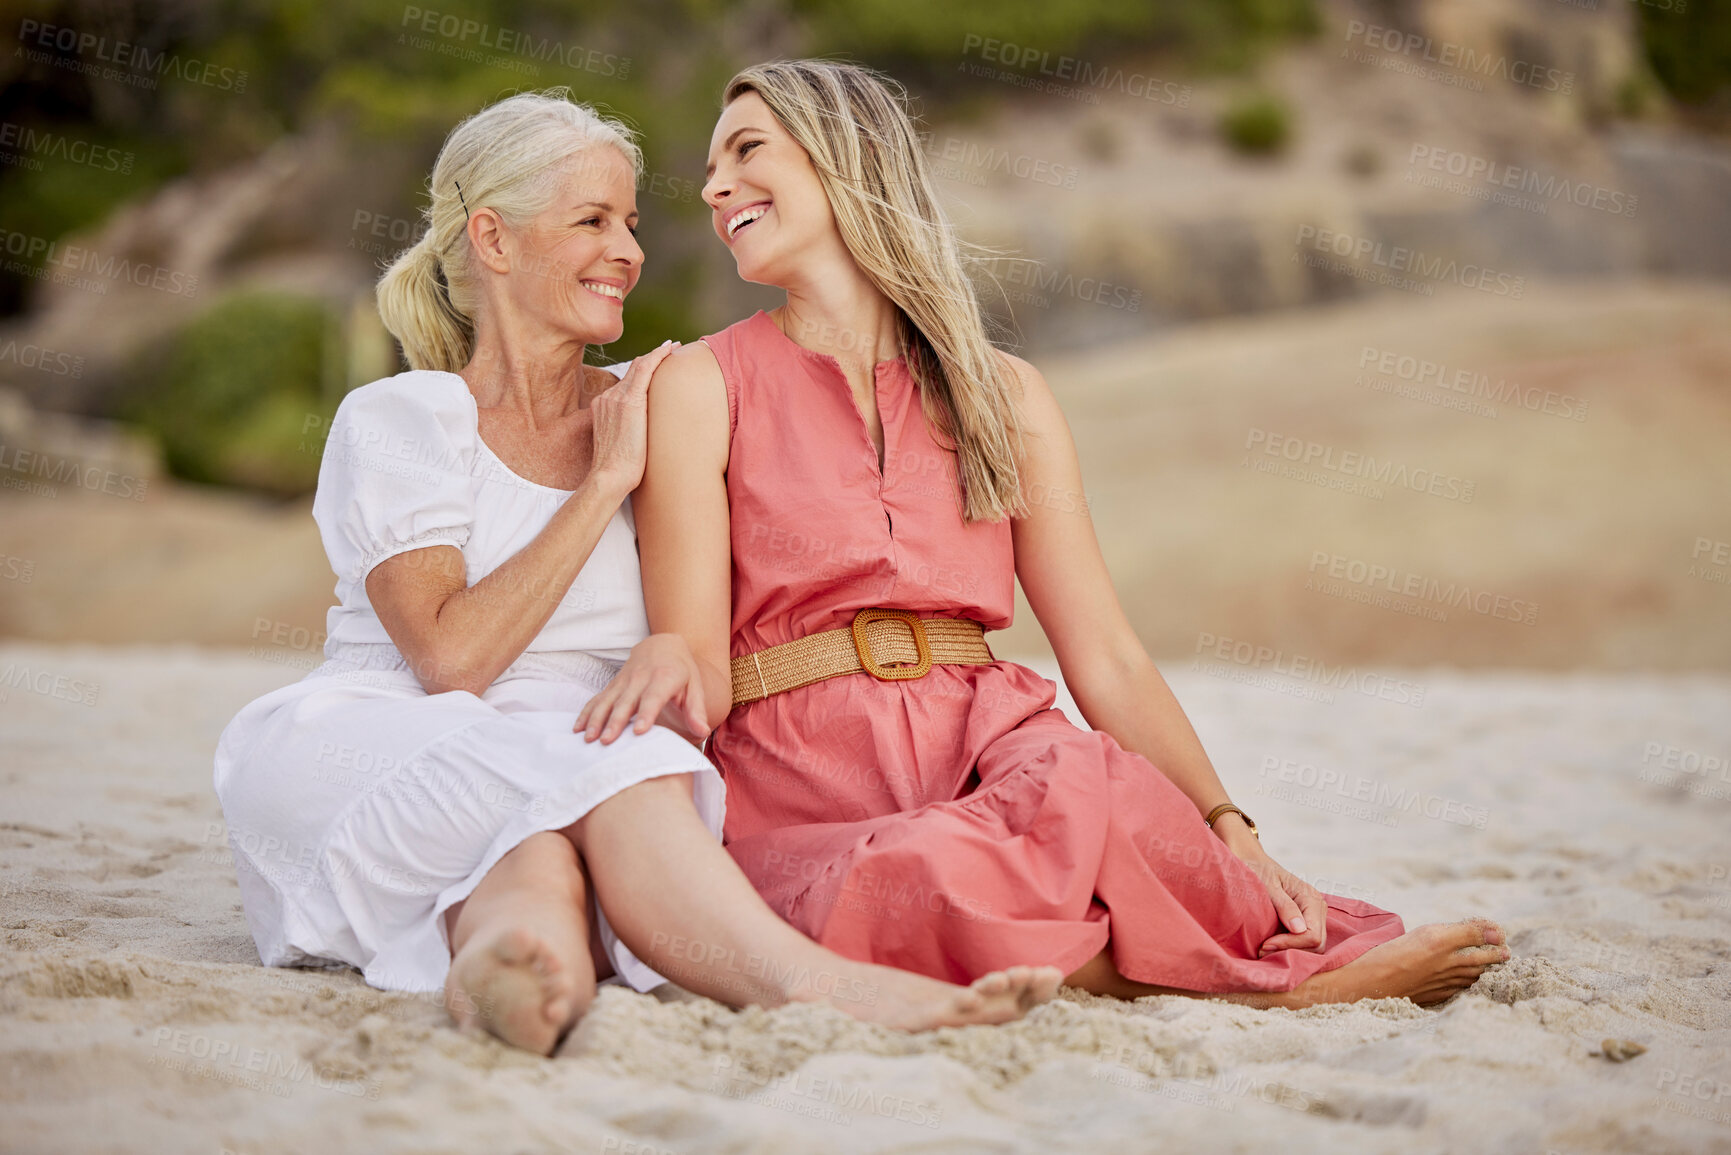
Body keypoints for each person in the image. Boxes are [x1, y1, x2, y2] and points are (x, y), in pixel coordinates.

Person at [587, 60, 1511, 1009]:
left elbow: (1101, 652)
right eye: (708, 167)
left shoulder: (1005, 394)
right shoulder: (702, 386)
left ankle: (1210, 953)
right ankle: (1274, 995)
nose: (711, 187)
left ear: (845, 158)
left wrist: (1227, 825)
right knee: (919, 869)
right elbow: (694, 662)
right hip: (802, 773)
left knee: (1083, 780)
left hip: (987, 737)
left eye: (745, 151)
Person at [212, 88, 1060, 1058]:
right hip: (389, 742)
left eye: (631, 221)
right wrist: (603, 481)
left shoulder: (664, 398)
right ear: (493, 239)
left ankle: (519, 969)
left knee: (542, 857)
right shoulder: (403, 419)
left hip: (572, 759)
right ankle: (814, 989)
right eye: (592, 220)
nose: (630, 249)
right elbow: (451, 662)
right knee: (618, 772)